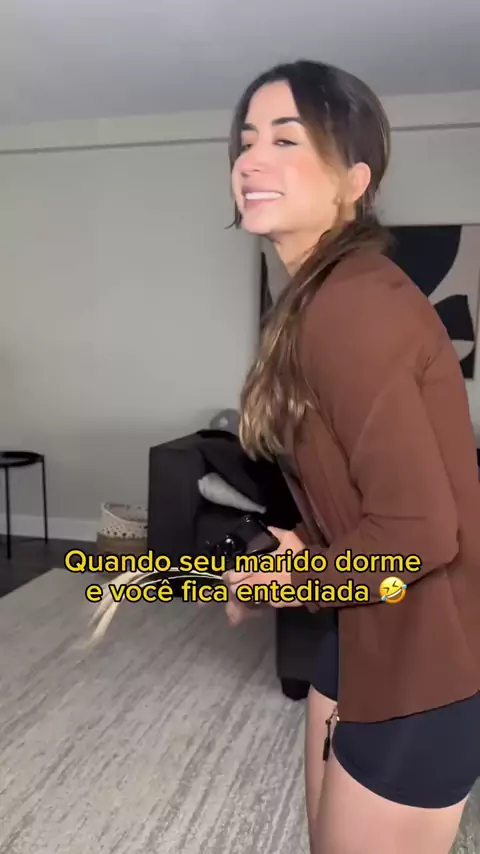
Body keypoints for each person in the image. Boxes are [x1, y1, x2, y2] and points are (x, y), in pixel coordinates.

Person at [223, 58, 480, 854]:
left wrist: (289, 582)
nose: (250, 159)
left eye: (286, 139)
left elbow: (419, 533)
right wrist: (307, 541)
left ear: (353, 180)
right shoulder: (316, 302)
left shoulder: (355, 305)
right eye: (245, 140)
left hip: (426, 657)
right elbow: (365, 491)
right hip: (361, 623)